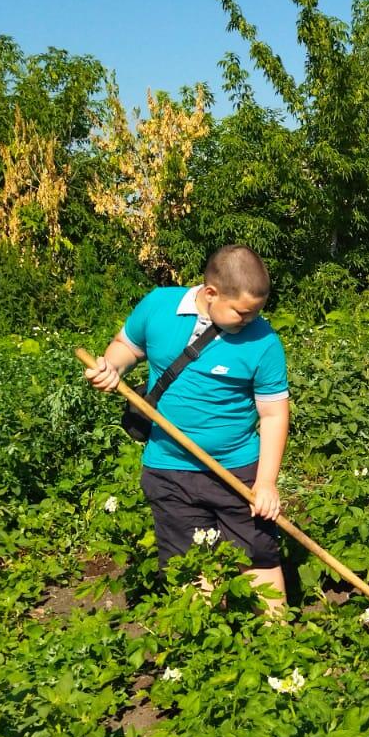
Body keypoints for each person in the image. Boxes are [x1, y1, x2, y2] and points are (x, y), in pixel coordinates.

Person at [84, 244, 290, 606]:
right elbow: (126, 346)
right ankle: (205, 652)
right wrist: (110, 368)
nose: (252, 320)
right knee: (188, 564)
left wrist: (266, 483)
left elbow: (273, 415)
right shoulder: (158, 306)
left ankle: (279, 646)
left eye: (258, 311)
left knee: (258, 555)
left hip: (237, 470)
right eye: (242, 312)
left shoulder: (264, 341)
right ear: (211, 293)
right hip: (168, 468)